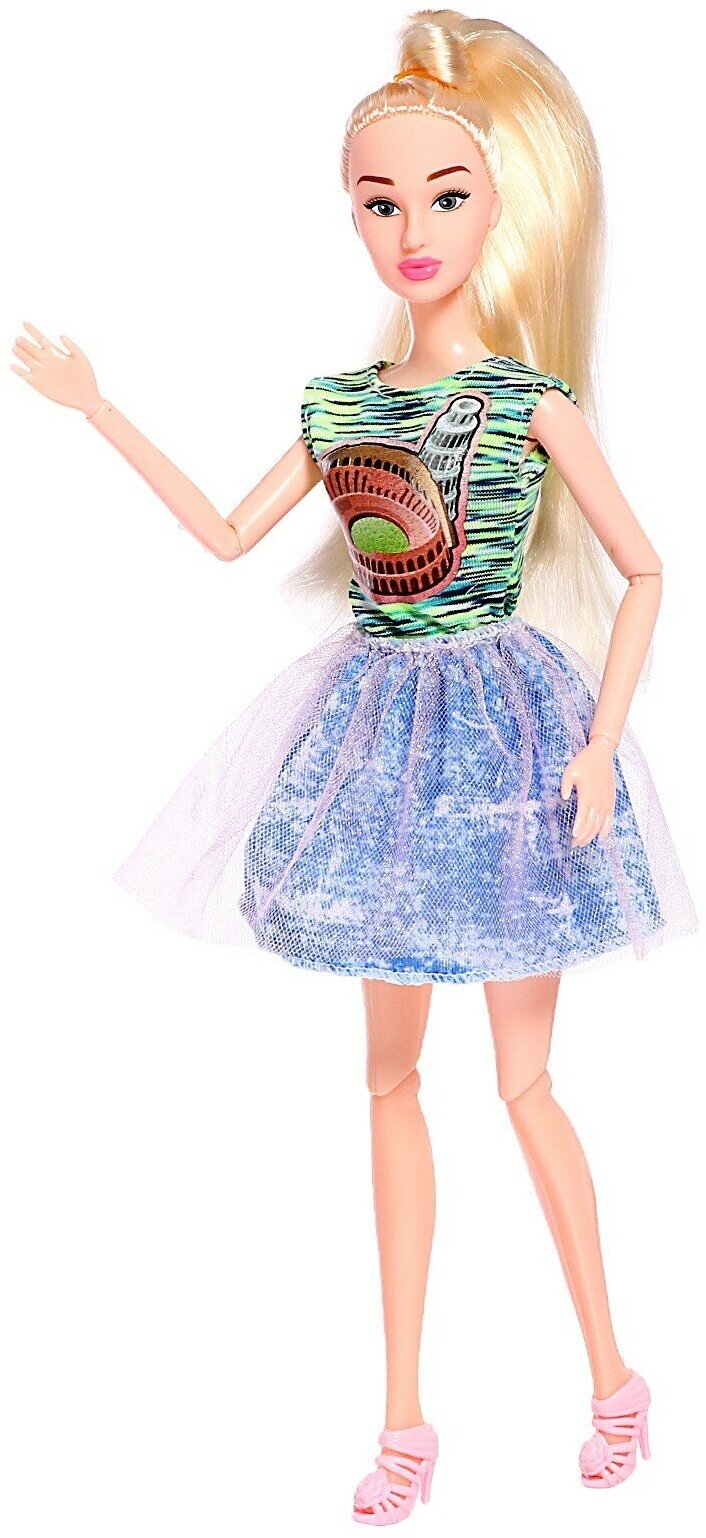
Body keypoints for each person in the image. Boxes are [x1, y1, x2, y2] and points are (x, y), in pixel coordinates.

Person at [11, 8, 698, 1523]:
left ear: (502, 200)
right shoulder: (337, 404)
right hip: (379, 743)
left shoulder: (529, 405)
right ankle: (402, 1415)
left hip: (508, 744)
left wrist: (600, 743)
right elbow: (225, 534)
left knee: (524, 1078)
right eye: (379, 203)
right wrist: (100, 408)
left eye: (442, 195)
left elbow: (648, 570)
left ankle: (612, 1372)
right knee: (388, 1077)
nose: (411, 230)